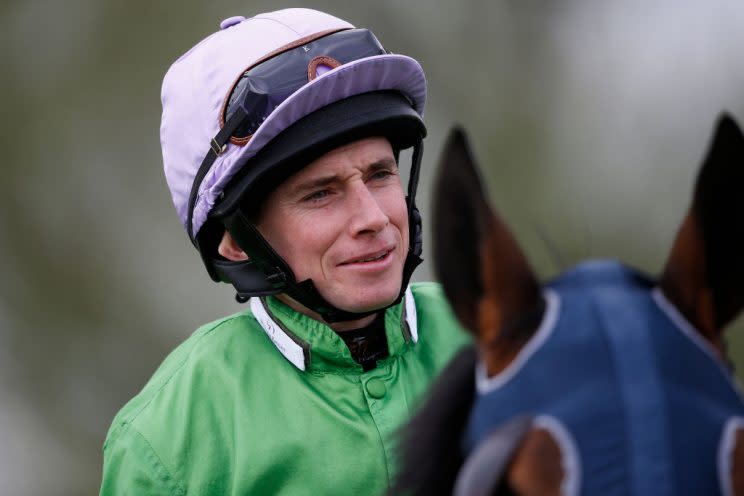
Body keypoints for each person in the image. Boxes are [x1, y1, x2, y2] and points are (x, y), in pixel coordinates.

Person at [99, 8, 469, 495]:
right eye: (321, 193)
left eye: (380, 174)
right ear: (235, 239)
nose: (374, 218)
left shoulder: (498, 337)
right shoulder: (168, 439)